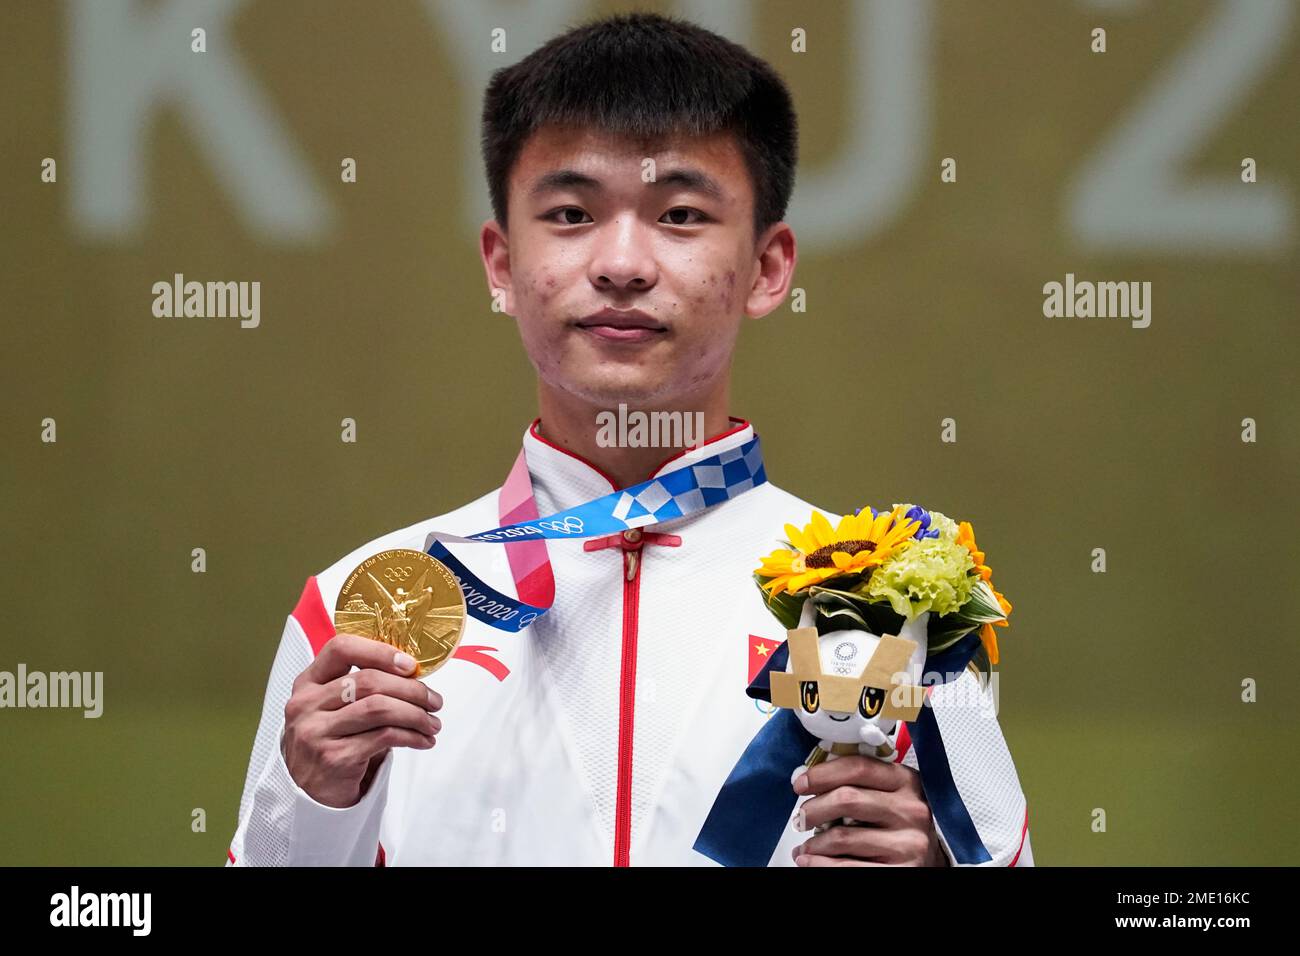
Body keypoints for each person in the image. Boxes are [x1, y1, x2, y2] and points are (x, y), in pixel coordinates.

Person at [226, 10, 1032, 867]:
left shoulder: (900, 608)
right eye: (571, 214)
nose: (621, 263)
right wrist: (311, 801)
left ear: (768, 268)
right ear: (501, 264)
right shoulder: (367, 607)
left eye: (680, 215)